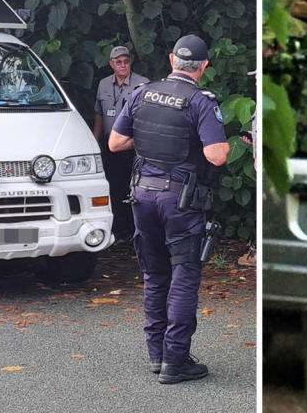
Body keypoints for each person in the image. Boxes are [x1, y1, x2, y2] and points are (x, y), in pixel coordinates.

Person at [108, 34, 230, 384]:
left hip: (142, 197)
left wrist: (149, 138)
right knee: (184, 276)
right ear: (204, 66)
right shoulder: (200, 101)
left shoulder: (142, 93)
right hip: (180, 201)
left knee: (154, 274)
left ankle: (156, 355)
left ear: (171, 59)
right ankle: (176, 361)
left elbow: (115, 143)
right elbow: (217, 155)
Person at [92, 46, 149, 241]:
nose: (123, 65)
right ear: (111, 64)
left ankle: (137, 232)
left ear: (130, 63)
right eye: (118, 62)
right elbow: (99, 113)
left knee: (136, 188)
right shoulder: (104, 84)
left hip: (133, 145)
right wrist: (95, 141)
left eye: (125, 61)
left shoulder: (142, 84)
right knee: (114, 188)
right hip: (110, 145)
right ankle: (118, 231)